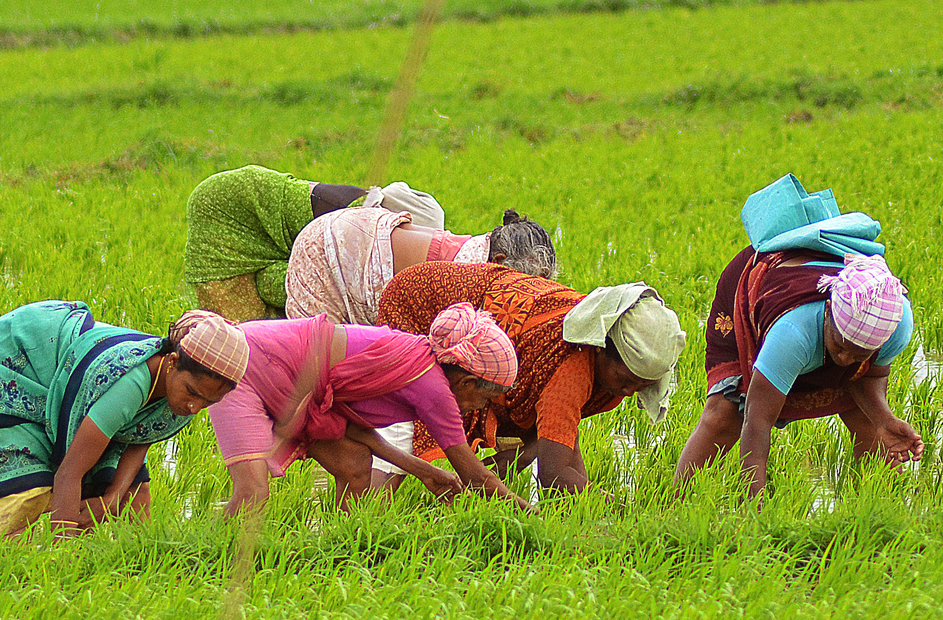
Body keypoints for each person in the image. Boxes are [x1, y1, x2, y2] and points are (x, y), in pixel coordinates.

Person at [674, 175, 920, 496]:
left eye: (859, 354)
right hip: (750, 294)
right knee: (725, 413)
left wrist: (883, 419)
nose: (845, 360)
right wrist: (756, 513)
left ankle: (878, 507)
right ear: (829, 313)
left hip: (812, 328)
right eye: (841, 346)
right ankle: (673, 505)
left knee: (864, 417)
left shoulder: (895, 324)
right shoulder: (793, 333)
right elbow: (757, 424)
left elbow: (866, 378)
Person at [0, 303, 247, 539]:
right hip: (22, 355)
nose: (195, 407)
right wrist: (64, 556)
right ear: (171, 362)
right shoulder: (129, 386)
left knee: (136, 499)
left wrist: (110, 500)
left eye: (209, 402)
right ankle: (19, 573)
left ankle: (132, 571)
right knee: (26, 494)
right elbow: (69, 473)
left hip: (67, 365)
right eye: (192, 393)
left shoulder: (181, 398)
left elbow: (139, 440)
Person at [376, 261, 684, 495]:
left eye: (642, 387)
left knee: (535, 442)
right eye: (626, 379)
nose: (629, 392)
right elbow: (554, 474)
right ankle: (370, 513)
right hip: (423, 301)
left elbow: (560, 437)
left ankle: (465, 491)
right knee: (406, 417)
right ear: (601, 349)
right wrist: (619, 508)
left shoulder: (595, 350)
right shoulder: (572, 367)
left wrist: (526, 462)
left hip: (464, 302)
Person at [209, 305, 531, 514]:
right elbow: (474, 475)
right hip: (246, 364)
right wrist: (529, 515)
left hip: (285, 371)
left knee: (353, 465)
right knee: (253, 492)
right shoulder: (435, 390)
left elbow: (355, 429)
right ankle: (207, 559)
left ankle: (340, 556)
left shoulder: (415, 355)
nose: (483, 406)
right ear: (466, 383)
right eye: (486, 398)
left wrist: (424, 471)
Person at [184, 165, 446, 322]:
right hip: (226, 210)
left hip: (255, 208)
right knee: (242, 339)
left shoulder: (367, 232)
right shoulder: (357, 230)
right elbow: (308, 285)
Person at [285, 207, 557, 326]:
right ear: (498, 262)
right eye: (525, 283)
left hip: (356, 227)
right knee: (319, 358)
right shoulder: (467, 277)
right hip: (329, 247)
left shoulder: (483, 254)